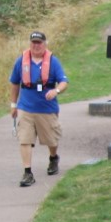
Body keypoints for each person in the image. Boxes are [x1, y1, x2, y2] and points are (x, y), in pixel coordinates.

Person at [9, 31, 69, 188]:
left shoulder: (53, 62)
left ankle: (53, 158)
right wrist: (13, 105)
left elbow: (64, 82)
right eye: (33, 42)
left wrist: (56, 91)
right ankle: (27, 173)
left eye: (39, 43)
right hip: (26, 108)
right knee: (25, 139)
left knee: (51, 140)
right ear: (30, 44)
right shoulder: (21, 61)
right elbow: (14, 83)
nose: (36, 46)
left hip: (46, 109)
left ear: (45, 44)